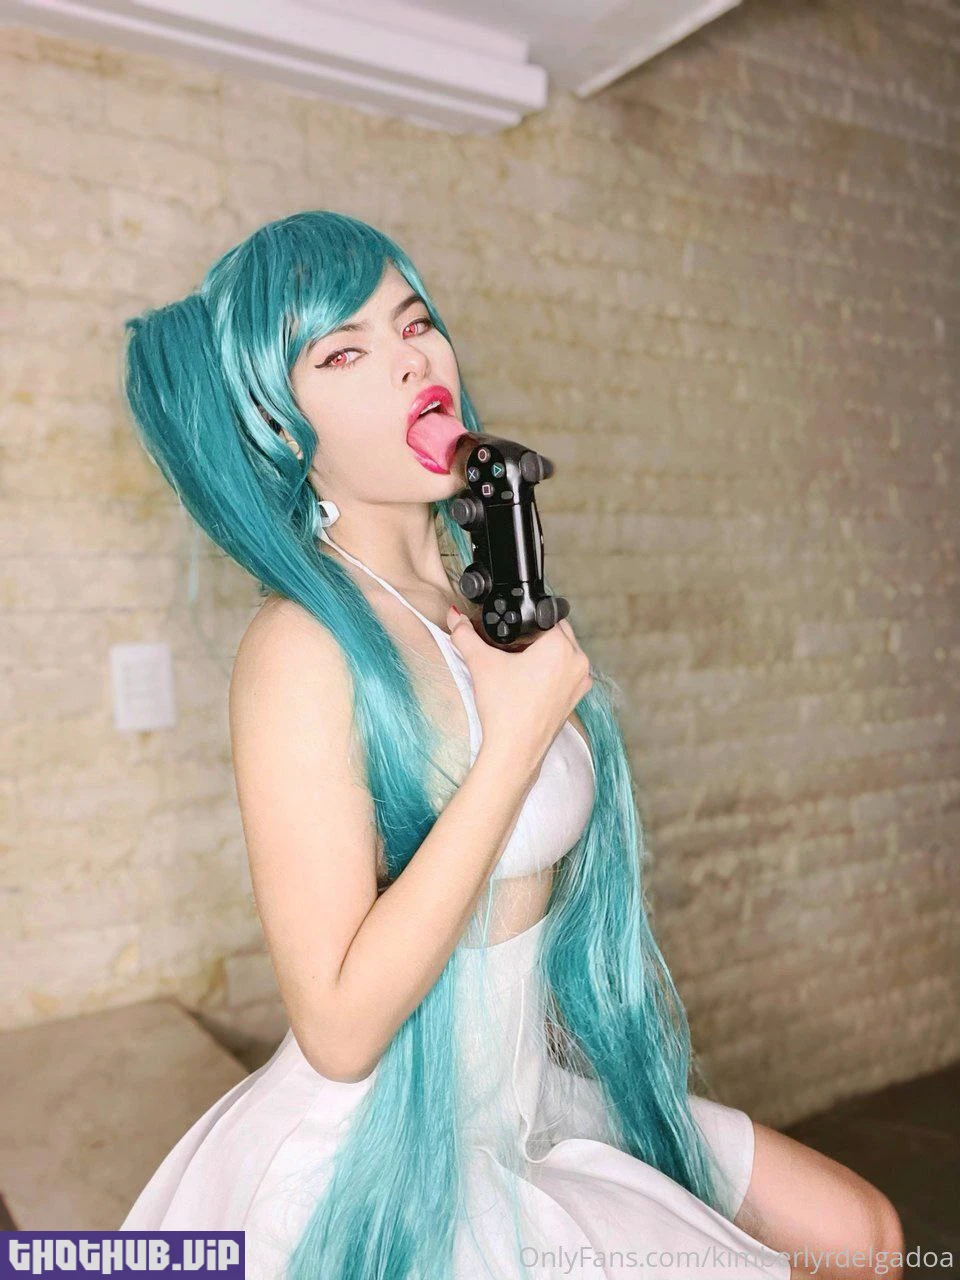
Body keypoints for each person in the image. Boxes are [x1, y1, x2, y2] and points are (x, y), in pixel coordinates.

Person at [117, 211, 903, 1280]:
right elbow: (339, 1026)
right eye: (344, 352)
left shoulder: (473, 598)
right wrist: (518, 739)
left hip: (524, 1090)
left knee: (866, 1234)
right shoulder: (301, 646)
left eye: (415, 324)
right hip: (394, 1142)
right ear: (278, 427)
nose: (411, 360)